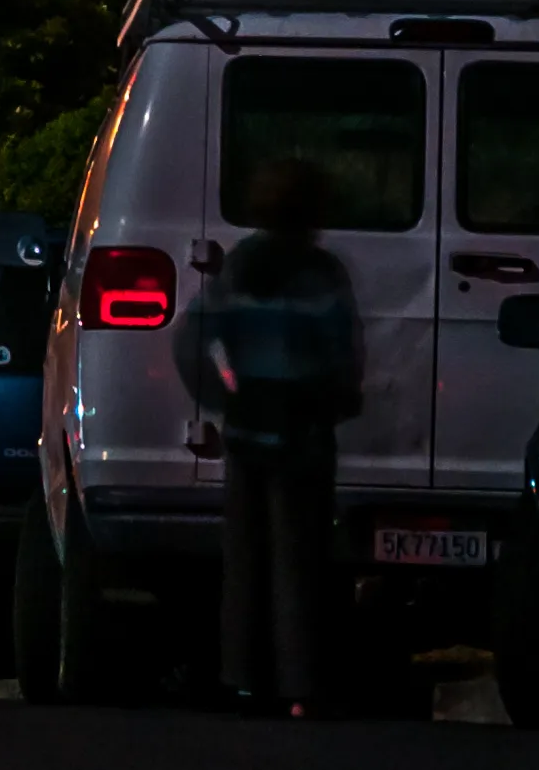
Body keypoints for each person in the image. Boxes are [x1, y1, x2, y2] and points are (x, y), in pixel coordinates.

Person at [174, 158, 365, 717]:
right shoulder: (321, 273)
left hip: (248, 430)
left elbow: (202, 339)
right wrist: (337, 393)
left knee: (244, 559)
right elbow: (341, 346)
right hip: (304, 431)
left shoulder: (239, 268)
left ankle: (241, 677)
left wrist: (229, 390)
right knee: (299, 560)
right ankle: (299, 685)